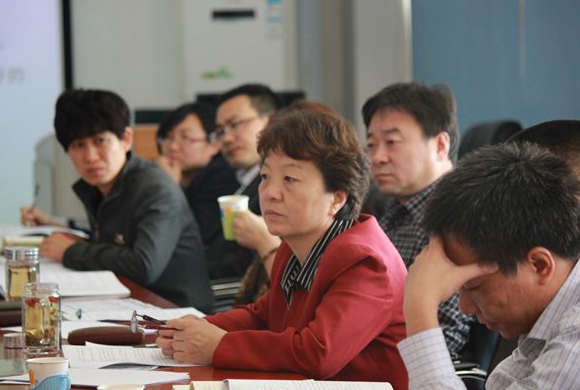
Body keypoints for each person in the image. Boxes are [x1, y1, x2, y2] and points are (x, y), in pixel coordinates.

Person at [156, 106, 409, 388]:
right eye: (265, 176)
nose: (269, 193)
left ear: (337, 198)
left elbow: (318, 353)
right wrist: (199, 328)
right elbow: (264, 315)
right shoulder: (294, 244)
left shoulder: (365, 260)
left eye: (289, 179)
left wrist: (218, 344)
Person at [398, 142, 580, 389]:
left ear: (539, 265)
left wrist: (420, 306)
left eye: (473, 286)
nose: (465, 308)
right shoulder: (541, 333)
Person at [20, 89, 213, 311]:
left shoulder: (155, 189)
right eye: (79, 145)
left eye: (100, 141)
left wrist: (70, 252)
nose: (91, 156)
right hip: (131, 303)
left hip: (176, 311)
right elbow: (116, 245)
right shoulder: (100, 186)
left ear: (126, 139)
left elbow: (143, 266)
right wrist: (77, 241)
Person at [362, 81, 473, 357]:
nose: (377, 157)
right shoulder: (388, 210)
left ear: (440, 145)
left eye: (391, 142)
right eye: (371, 145)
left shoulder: (462, 216)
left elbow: (445, 337)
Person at [205, 83, 282, 289]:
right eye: (220, 131)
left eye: (236, 124)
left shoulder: (280, 190)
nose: (227, 138)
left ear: (270, 122)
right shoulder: (224, 179)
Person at [155, 102, 239, 246]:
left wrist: (170, 186)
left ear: (214, 144)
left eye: (186, 138)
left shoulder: (222, 178)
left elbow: (194, 234)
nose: (173, 146)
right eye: (168, 137)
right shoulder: (163, 175)